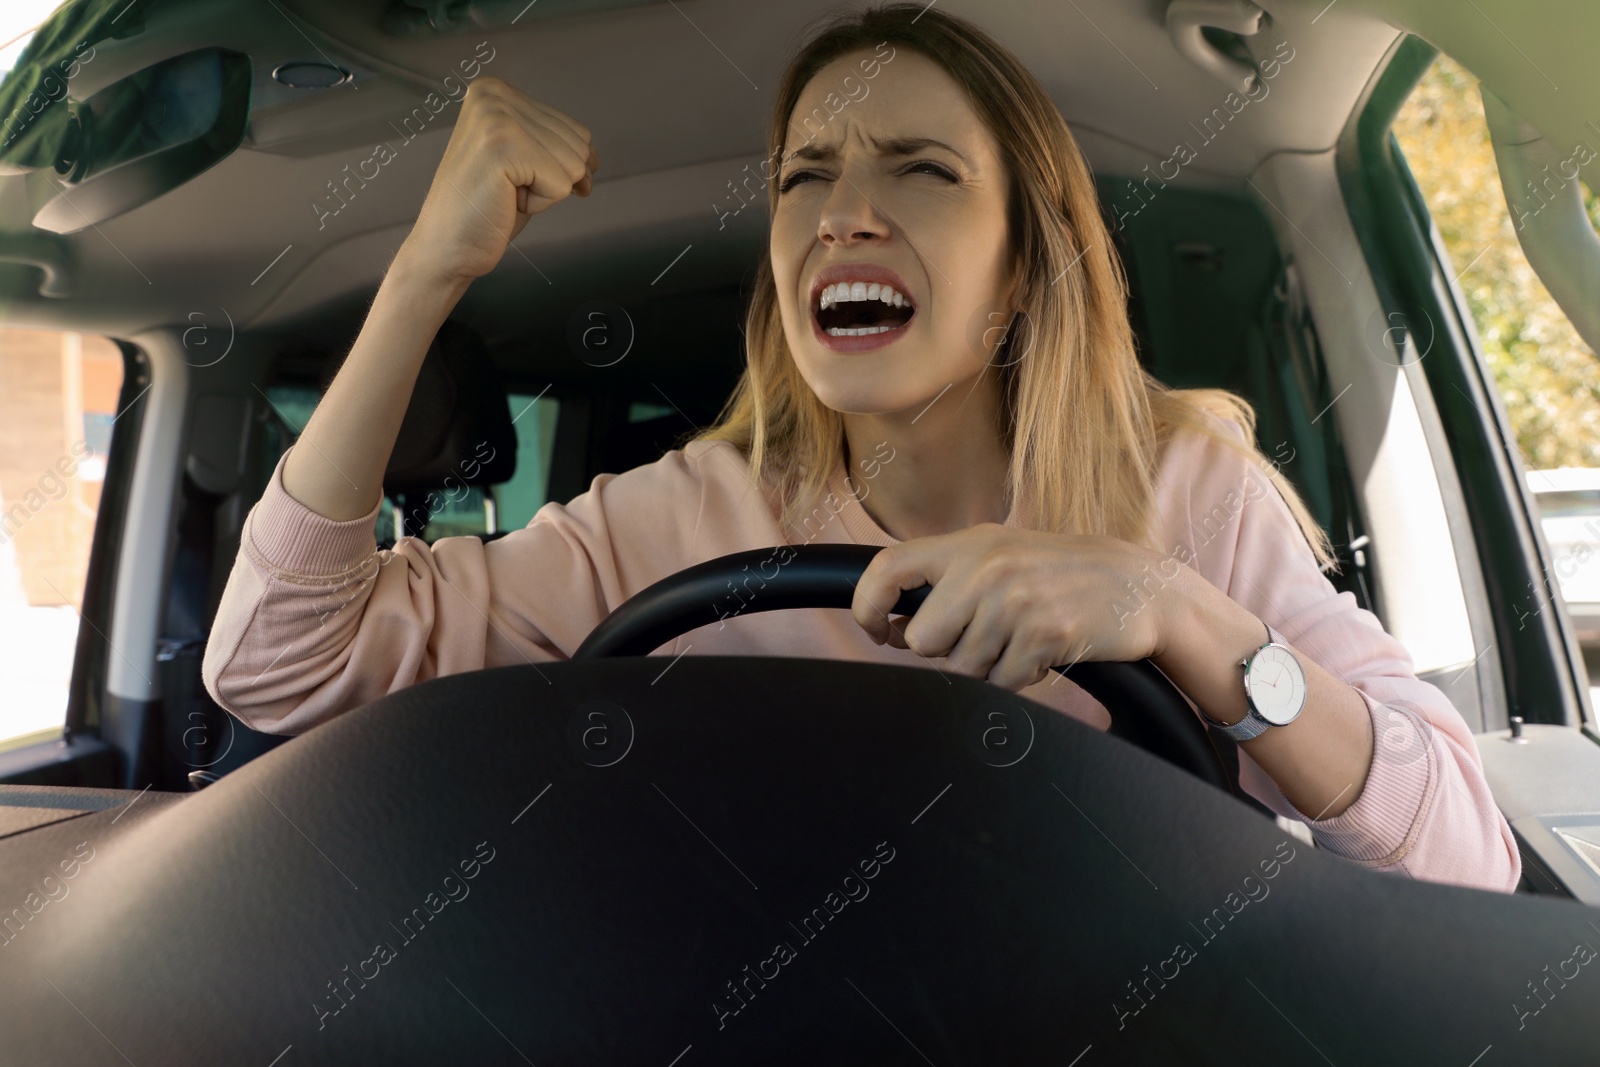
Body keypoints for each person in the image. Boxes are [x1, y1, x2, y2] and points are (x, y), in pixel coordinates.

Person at [201, 4, 1519, 893]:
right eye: (804, 177)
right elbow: (272, 664)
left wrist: (1178, 612)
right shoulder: (672, 518)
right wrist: (427, 273)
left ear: (1015, 277)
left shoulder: (1188, 491)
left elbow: (1467, 857)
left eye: (920, 172)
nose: (844, 215)